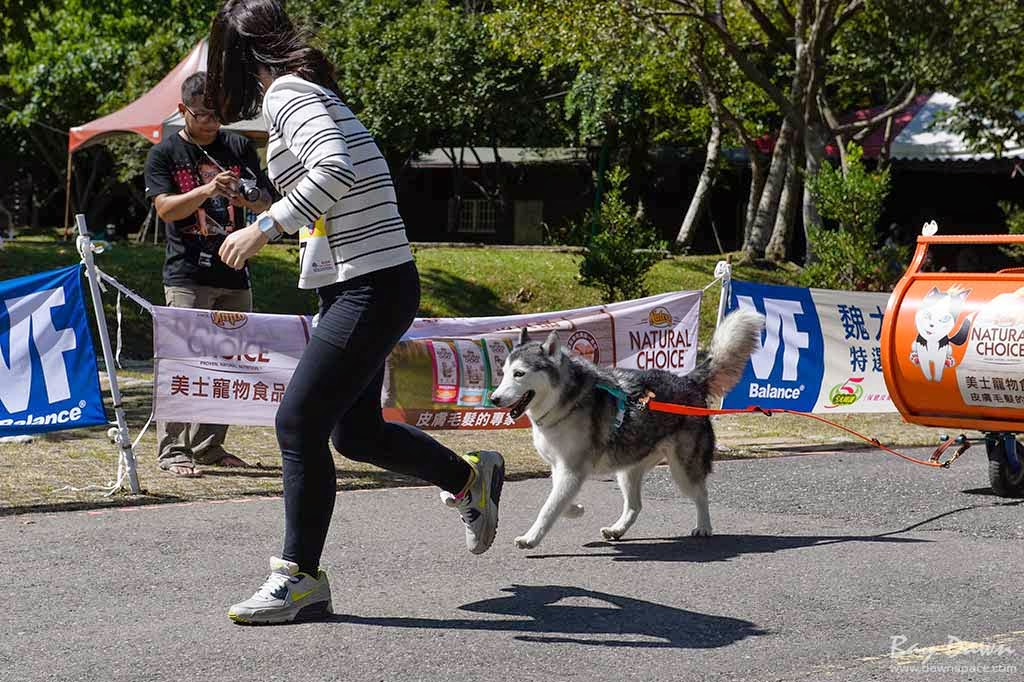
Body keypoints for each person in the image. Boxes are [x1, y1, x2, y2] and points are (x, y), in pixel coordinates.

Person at [204, 0, 505, 625]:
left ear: (234, 57)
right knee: (355, 433)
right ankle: (467, 479)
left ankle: (300, 579)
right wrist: (263, 196)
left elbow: (335, 168)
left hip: (371, 284)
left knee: (299, 423)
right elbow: (330, 190)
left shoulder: (287, 90)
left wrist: (264, 225)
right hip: (361, 284)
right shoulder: (301, 91)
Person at [144, 71, 276, 477]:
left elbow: (268, 201)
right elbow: (165, 209)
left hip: (235, 271)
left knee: (230, 362)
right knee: (182, 360)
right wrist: (207, 190)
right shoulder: (165, 153)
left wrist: (247, 196)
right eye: (202, 114)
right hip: (187, 273)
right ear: (184, 110)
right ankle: (173, 451)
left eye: (218, 114)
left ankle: (209, 446)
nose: (212, 121)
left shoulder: (237, 145)